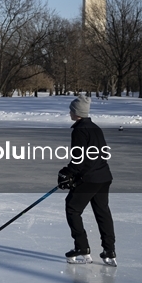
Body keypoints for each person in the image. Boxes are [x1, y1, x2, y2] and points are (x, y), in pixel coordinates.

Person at [57, 94, 116, 265]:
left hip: (90, 178)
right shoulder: (95, 128)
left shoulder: (79, 130)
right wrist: (72, 173)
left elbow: (78, 158)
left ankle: (82, 247)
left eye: (71, 110)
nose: (69, 112)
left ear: (77, 113)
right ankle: (109, 250)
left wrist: (68, 173)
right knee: (102, 212)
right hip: (103, 176)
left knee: (72, 209)